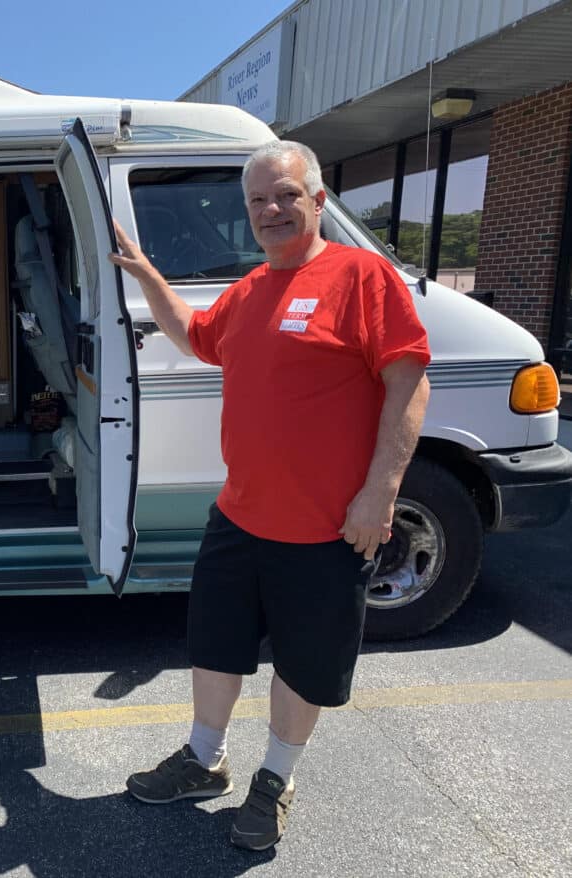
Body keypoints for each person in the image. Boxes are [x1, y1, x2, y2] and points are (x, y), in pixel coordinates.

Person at [110, 141, 430, 851]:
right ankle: (204, 761)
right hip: (239, 515)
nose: (271, 210)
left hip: (326, 529)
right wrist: (149, 274)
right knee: (215, 647)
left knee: (303, 665)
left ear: (317, 200)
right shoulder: (251, 288)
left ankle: (276, 779)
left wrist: (381, 492)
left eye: (285, 195)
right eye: (257, 199)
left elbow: (409, 380)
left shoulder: (361, 276)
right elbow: (194, 336)